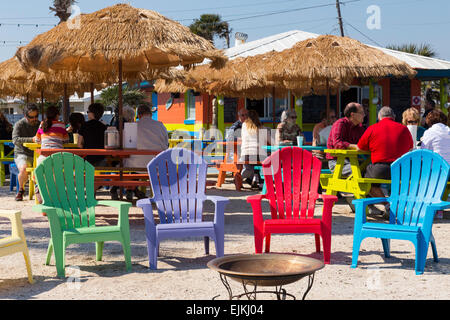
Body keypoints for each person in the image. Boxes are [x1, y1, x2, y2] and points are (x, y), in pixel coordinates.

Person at [357, 106, 414, 217]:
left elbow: (360, 147)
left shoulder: (373, 128)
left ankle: (387, 206)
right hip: (401, 170)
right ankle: (396, 206)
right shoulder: (403, 129)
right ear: (394, 117)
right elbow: (410, 148)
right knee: (399, 183)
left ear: (379, 117)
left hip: (380, 169)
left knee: (367, 182)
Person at [123, 103, 169, 201]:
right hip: (156, 164)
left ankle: (131, 190)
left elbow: (125, 146)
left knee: (126, 164)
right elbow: (166, 144)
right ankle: (138, 191)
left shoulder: (132, 126)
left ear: (138, 115)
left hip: (136, 165)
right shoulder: (160, 125)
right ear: (150, 114)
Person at [33, 105, 69, 203]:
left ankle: (40, 193)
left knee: (41, 175)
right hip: (57, 157)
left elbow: (37, 139)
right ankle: (56, 198)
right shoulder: (61, 125)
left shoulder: (42, 123)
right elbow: (66, 140)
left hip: (43, 157)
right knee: (56, 177)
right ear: (57, 115)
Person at [327, 102, 366, 176]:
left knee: (371, 170)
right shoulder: (340, 123)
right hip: (336, 162)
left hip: (353, 161)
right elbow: (337, 143)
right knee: (358, 172)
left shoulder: (359, 127)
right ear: (352, 114)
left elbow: (365, 141)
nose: (364, 115)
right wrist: (353, 146)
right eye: (361, 113)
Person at [12, 104, 40, 201]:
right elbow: (15, 140)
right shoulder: (19, 124)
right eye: (31, 117)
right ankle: (21, 190)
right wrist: (31, 140)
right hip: (22, 153)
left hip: (37, 153)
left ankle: (40, 191)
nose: (34, 119)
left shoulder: (40, 124)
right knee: (24, 169)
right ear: (25, 116)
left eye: (36, 116)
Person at [240, 109, 268, 189]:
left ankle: (253, 177)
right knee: (263, 158)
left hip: (245, 155)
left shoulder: (244, 125)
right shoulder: (261, 127)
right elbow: (268, 139)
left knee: (254, 159)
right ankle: (260, 182)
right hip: (259, 155)